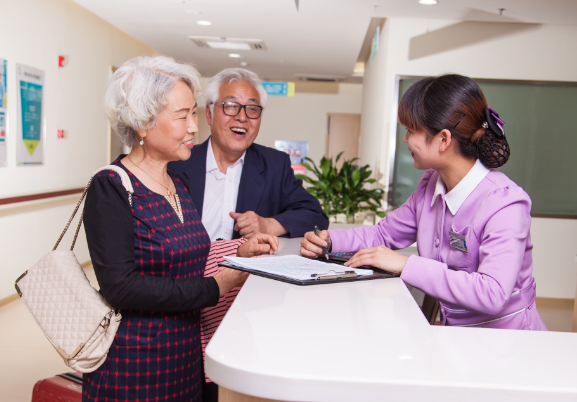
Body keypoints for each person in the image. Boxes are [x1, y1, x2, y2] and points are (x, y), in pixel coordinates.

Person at [82, 56, 278, 402]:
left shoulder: (177, 183)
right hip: (136, 366)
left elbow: (189, 255)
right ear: (143, 122)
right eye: (182, 115)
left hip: (186, 356)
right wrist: (218, 285)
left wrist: (238, 252)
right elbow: (121, 288)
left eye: (192, 114)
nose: (194, 127)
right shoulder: (111, 187)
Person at [301, 74, 547, 331]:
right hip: (455, 337)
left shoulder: (505, 204)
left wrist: (406, 264)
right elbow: (384, 234)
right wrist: (329, 241)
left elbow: (493, 293)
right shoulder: (431, 183)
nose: (405, 139)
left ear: (443, 139)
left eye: (410, 130)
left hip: (510, 345)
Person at [169, 68, 328, 241]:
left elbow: (315, 217)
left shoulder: (274, 166)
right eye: (231, 106)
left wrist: (268, 225)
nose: (242, 117)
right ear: (209, 114)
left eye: (252, 109)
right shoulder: (176, 163)